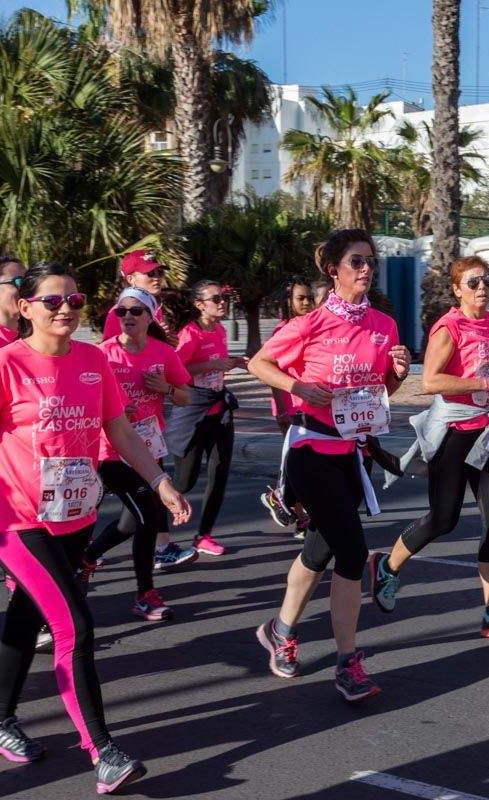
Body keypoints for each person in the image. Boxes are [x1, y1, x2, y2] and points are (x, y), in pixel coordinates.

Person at [0, 262, 190, 794]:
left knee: (25, 611)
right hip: (15, 520)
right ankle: (102, 750)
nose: (65, 309)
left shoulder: (92, 359)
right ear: (26, 307)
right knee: (74, 625)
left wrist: (160, 482)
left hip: (75, 517)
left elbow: (118, 429)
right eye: (52, 301)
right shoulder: (2, 365)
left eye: (74, 301)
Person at [249, 229, 409, 700]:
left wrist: (396, 374)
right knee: (353, 553)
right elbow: (259, 363)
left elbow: (381, 394)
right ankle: (347, 662)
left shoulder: (384, 326)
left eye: (370, 262)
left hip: (352, 455)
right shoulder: (312, 323)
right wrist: (298, 388)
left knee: (319, 552)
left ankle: (280, 630)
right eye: (356, 261)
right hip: (310, 451)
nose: (365, 270)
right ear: (332, 269)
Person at [369, 256, 489, 639]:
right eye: (474, 282)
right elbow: (429, 381)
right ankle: (387, 567)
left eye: (488, 282)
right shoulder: (448, 327)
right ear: (457, 288)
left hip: (487, 432)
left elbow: (488, 370)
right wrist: (484, 387)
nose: (483, 289)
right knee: (444, 519)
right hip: (453, 435)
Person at [82, 288, 191, 621]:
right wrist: (113, 412)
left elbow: (186, 396)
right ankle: (145, 594)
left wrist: (166, 389)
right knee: (147, 519)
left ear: (150, 317)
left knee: (131, 522)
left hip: (149, 450)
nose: (127, 316)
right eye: (121, 311)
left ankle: (87, 557)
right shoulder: (102, 355)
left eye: (136, 311)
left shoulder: (163, 353)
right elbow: (86, 400)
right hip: (111, 451)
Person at [160, 281, 247, 560]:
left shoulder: (219, 329)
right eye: (217, 298)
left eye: (226, 297)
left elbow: (217, 363)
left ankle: (204, 535)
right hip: (193, 411)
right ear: (200, 304)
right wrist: (210, 365)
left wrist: (234, 362)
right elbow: (175, 370)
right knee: (184, 482)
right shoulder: (191, 333)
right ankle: (155, 530)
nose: (223, 302)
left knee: (219, 474)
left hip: (219, 408)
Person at [260, 278, 316, 534]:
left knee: (305, 465)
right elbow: (270, 371)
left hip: (310, 405)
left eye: (309, 297)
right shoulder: (284, 330)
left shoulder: (314, 325)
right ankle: (300, 515)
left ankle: (284, 500)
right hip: (290, 406)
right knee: (298, 465)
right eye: (300, 298)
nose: (306, 302)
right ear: (288, 302)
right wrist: (281, 408)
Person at [102, 250, 167, 341]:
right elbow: (110, 350)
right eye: (150, 273)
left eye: (159, 273)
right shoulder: (120, 312)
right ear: (131, 279)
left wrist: (168, 343)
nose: (157, 278)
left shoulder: (157, 308)